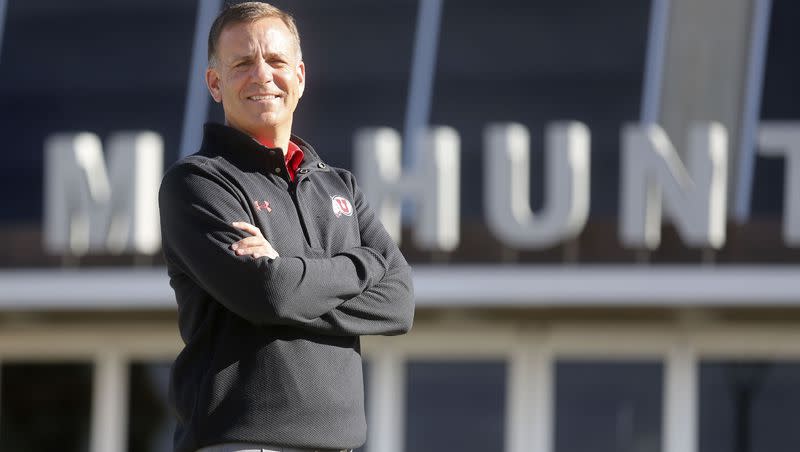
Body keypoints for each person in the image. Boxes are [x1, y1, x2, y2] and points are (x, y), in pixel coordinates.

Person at [157, 3, 415, 452]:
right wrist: (363, 265)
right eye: (242, 63)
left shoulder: (341, 187)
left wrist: (288, 273)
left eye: (276, 61)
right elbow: (268, 295)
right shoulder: (198, 183)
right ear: (215, 83)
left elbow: (399, 302)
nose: (262, 75)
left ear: (300, 77)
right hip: (242, 444)